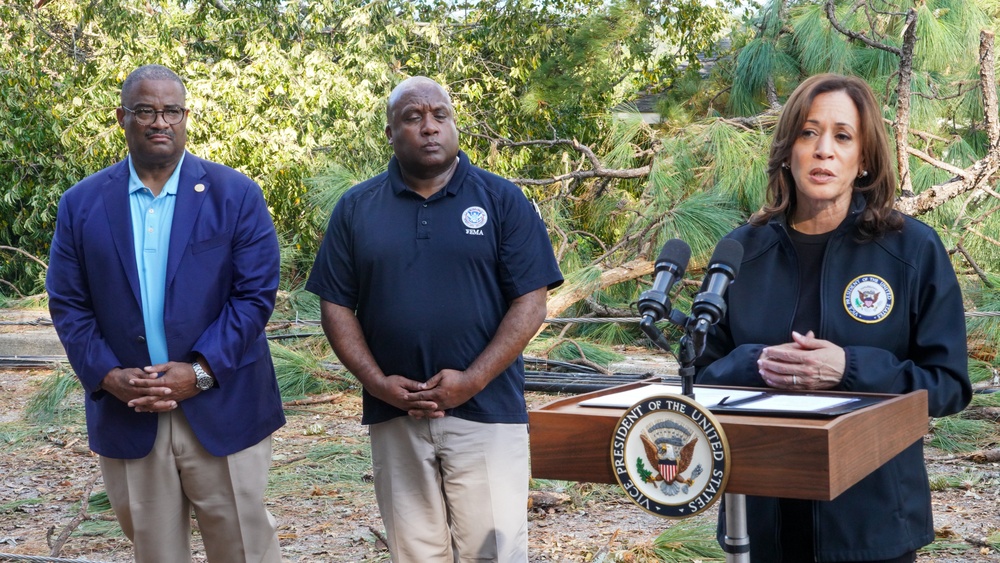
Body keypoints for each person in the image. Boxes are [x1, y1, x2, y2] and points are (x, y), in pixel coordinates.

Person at [695, 73, 972, 562]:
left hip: (873, 528)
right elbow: (696, 379)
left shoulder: (912, 250)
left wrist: (849, 369)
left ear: (863, 158)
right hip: (761, 524)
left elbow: (948, 385)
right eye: (808, 132)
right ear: (788, 150)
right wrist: (756, 364)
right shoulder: (740, 251)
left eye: (842, 136)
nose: (823, 149)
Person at [306, 76, 563, 562]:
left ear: (454, 125)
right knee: (415, 553)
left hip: (486, 413)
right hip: (394, 414)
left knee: (495, 553)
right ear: (389, 132)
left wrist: (471, 380)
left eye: (439, 116)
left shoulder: (501, 199)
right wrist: (378, 383)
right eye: (413, 117)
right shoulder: (357, 208)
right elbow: (335, 306)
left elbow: (531, 303)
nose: (429, 127)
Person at [46, 64, 285, 563]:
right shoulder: (81, 204)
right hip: (129, 409)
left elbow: (254, 295)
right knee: (155, 553)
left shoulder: (235, 195)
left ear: (186, 116)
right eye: (146, 111)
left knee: (244, 548)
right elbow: (69, 303)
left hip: (222, 404)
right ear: (122, 118)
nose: (160, 122)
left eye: (171, 111)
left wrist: (199, 372)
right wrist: (108, 375)